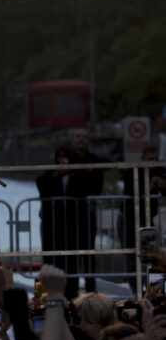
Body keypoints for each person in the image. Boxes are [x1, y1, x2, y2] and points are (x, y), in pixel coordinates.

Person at [36, 146, 79, 299]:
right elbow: (42, 187)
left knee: (72, 257)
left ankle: (72, 290)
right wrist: (56, 175)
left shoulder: (76, 174)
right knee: (51, 256)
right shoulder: (48, 175)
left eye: (65, 157)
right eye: (59, 157)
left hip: (72, 222)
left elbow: (83, 189)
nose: (62, 161)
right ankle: (50, 289)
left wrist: (71, 174)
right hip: (51, 223)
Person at [67, 128, 105, 295]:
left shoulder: (93, 160)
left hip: (87, 212)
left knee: (89, 252)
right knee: (70, 253)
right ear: (72, 139)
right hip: (68, 213)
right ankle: (71, 291)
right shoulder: (66, 158)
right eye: (78, 136)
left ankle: (91, 291)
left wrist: (78, 177)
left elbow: (97, 186)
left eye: (85, 137)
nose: (81, 139)